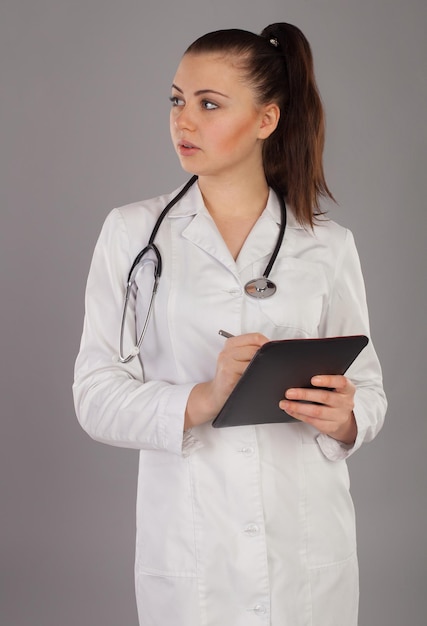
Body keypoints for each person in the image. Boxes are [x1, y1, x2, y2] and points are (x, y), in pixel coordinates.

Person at [73, 22, 386, 626]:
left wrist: (346, 417)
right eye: (176, 100)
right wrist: (201, 398)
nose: (183, 121)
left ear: (266, 120)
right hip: (194, 553)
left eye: (209, 104)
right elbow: (93, 396)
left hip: (306, 547)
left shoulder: (327, 245)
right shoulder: (132, 234)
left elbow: (369, 392)